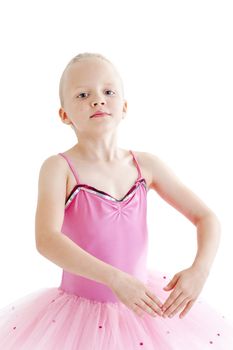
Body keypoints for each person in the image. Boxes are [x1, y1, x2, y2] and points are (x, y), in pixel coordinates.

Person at [0, 52, 233, 349]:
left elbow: (207, 218)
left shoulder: (145, 166)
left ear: (124, 107)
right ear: (64, 115)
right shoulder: (59, 168)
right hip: (79, 314)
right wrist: (114, 278)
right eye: (83, 94)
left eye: (108, 92)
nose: (97, 100)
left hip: (142, 307)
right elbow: (46, 239)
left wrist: (199, 270)